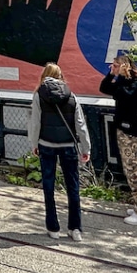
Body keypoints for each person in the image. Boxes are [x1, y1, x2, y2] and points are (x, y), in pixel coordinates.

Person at [28, 62, 91, 242]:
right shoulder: (71, 96)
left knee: (49, 186)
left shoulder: (39, 95)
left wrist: (34, 143)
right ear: (60, 75)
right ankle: (75, 228)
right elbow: (80, 124)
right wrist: (85, 148)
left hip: (46, 144)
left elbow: (36, 122)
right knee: (73, 186)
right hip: (68, 145)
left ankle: (53, 228)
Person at [100, 53, 137, 225]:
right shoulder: (126, 84)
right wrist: (112, 75)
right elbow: (105, 88)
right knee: (130, 171)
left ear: (126, 66)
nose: (113, 67)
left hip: (133, 133)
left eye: (116, 65)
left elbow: (125, 97)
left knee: (136, 172)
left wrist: (122, 77)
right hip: (124, 131)